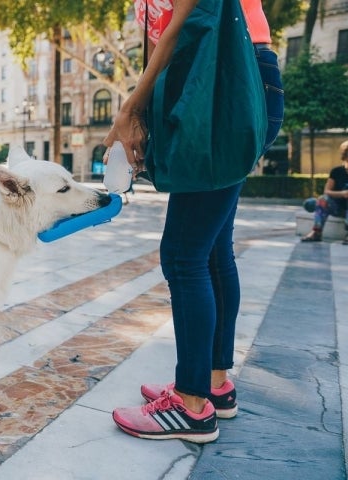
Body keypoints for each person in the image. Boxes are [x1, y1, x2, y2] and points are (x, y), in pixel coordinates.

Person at [102, 0, 283, 442]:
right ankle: (213, 385)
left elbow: (181, 25)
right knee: (214, 249)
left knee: (184, 255)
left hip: (225, 76)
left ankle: (190, 405)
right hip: (227, 75)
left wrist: (129, 109)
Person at [301, 140, 348, 244]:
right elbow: (327, 191)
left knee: (311, 203)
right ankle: (316, 232)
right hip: (339, 208)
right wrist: (343, 194)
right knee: (322, 200)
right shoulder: (337, 171)